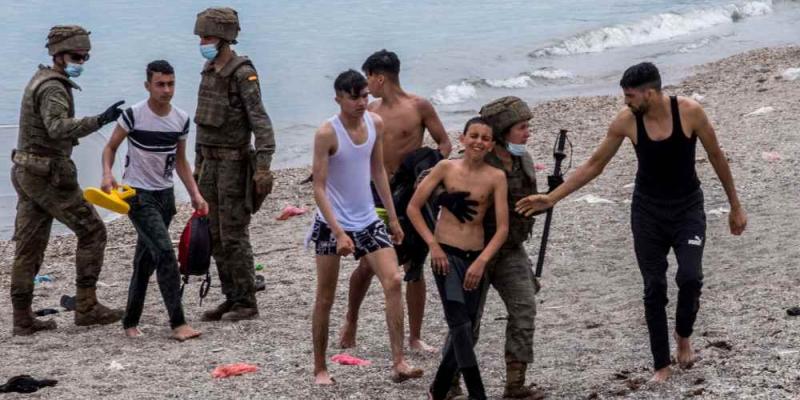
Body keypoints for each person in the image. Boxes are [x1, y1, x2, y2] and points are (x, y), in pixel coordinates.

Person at [516, 62, 747, 382]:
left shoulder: (690, 112)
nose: (625, 101)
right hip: (647, 212)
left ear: (649, 93)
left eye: (629, 95)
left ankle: (683, 333)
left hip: (687, 209)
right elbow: (595, 164)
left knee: (690, 277)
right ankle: (661, 365)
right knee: (654, 287)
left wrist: (736, 206)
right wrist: (552, 197)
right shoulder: (627, 121)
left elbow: (717, 156)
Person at [10, 25, 126, 335]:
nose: (81, 62)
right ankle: (86, 306)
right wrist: (100, 120)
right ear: (58, 55)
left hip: (26, 170)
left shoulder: (40, 78)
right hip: (49, 175)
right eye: (77, 56)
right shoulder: (53, 87)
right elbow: (58, 127)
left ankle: (21, 317)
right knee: (93, 231)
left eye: (85, 57)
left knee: (29, 247)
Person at [309, 70, 423, 385]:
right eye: (354, 97)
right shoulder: (326, 133)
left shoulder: (375, 123)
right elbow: (318, 188)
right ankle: (320, 368)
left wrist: (394, 217)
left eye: (364, 96)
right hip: (331, 223)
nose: (361, 102)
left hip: (368, 218)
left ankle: (399, 362)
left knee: (393, 281)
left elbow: (378, 171)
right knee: (325, 297)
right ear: (338, 99)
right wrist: (338, 232)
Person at [339, 49, 452, 353]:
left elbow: (445, 143)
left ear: (380, 77)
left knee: (415, 265)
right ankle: (351, 320)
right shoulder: (370, 110)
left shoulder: (419, 106)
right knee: (366, 264)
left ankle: (414, 337)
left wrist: (428, 171)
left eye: (368, 79)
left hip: (412, 193)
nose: (366, 87)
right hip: (376, 192)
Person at [100, 60, 206, 341]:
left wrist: (195, 194)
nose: (166, 90)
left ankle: (130, 321)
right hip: (138, 195)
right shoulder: (134, 115)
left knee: (145, 260)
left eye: (170, 84)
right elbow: (110, 147)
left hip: (165, 197)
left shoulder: (181, 119)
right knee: (165, 254)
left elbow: (181, 161)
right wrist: (107, 173)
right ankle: (178, 323)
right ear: (148, 85)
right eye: (160, 84)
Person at [407, 116, 509, 400]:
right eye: (473, 136)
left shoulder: (495, 177)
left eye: (485, 138)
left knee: (467, 327)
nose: (478, 142)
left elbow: (502, 229)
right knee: (460, 324)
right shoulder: (445, 168)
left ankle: (438, 390)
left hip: (475, 257)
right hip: (446, 257)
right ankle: (478, 394)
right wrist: (433, 245)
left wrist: (482, 261)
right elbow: (414, 208)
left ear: (491, 145)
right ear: (462, 139)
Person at [193, 7, 276, 322]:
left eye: (208, 36)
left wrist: (263, 166)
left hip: (233, 166)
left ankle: (246, 301)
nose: (203, 42)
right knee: (213, 234)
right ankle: (231, 297)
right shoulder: (209, 69)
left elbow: (260, 121)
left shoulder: (242, 73)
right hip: (210, 167)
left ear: (225, 36)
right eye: (202, 36)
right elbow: (203, 124)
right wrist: (198, 166)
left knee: (234, 235)